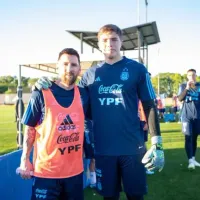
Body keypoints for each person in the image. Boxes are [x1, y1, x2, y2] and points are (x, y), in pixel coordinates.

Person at [35, 24, 164, 200]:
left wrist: (157, 142)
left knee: (135, 196)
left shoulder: (137, 69)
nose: (109, 43)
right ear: (99, 44)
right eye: (105, 40)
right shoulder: (90, 75)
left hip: (133, 148)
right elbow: (71, 96)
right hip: (103, 151)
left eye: (114, 39)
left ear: (121, 42)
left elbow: (149, 106)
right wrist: (48, 83)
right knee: (109, 197)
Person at [17, 48, 93, 200]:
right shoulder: (41, 92)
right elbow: (30, 128)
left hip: (75, 174)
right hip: (46, 174)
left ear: (79, 69)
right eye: (65, 64)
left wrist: (92, 159)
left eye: (73, 65)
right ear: (57, 66)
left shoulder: (84, 94)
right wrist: (24, 159)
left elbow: (88, 126)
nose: (69, 69)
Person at [178, 68, 200, 170]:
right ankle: (190, 160)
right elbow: (180, 98)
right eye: (190, 75)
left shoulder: (199, 86)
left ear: (196, 76)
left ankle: (193, 158)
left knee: (195, 137)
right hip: (186, 116)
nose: (192, 77)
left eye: (193, 75)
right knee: (188, 137)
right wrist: (187, 88)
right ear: (187, 76)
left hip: (197, 117)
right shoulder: (183, 86)